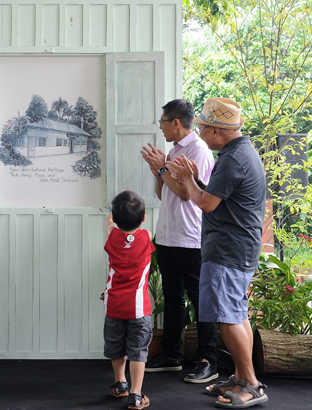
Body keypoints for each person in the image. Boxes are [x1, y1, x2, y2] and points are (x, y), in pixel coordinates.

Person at [166, 98, 268, 408]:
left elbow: (206, 203)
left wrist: (186, 179)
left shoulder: (234, 159)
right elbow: (215, 196)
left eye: (200, 129)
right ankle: (240, 377)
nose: (199, 133)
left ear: (214, 131)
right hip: (237, 248)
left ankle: (251, 384)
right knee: (237, 315)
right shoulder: (239, 153)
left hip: (228, 250)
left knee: (228, 318)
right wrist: (196, 180)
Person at [140, 99, 219, 383]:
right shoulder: (175, 150)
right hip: (168, 236)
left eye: (162, 122)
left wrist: (163, 169)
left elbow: (188, 194)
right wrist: (157, 172)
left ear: (175, 123)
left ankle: (209, 360)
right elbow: (166, 195)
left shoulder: (198, 150)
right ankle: (172, 356)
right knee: (173, 299)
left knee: (201, 300)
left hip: (190, 238)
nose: (160, 127)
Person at [102, 190, 155, 410]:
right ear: (143, 218)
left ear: (114, 217)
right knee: (138, 351)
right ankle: (135, 394)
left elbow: (109, 222)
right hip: (138, 309)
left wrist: (113, 212)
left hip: (113, 306)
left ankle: (120, 383)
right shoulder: (146, 236)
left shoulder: (112, 236)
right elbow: (140, 231)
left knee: (117, 347)